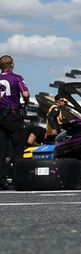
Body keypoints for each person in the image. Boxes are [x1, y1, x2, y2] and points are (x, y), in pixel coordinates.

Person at [0, 55, 30, 189]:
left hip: (0, 116)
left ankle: (1, 180)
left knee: (1, 149)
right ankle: (19, 178)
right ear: (12, 65)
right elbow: (25, 94)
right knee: (18, 147)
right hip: (12, 115)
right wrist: (26, 103)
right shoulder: (17, 77)